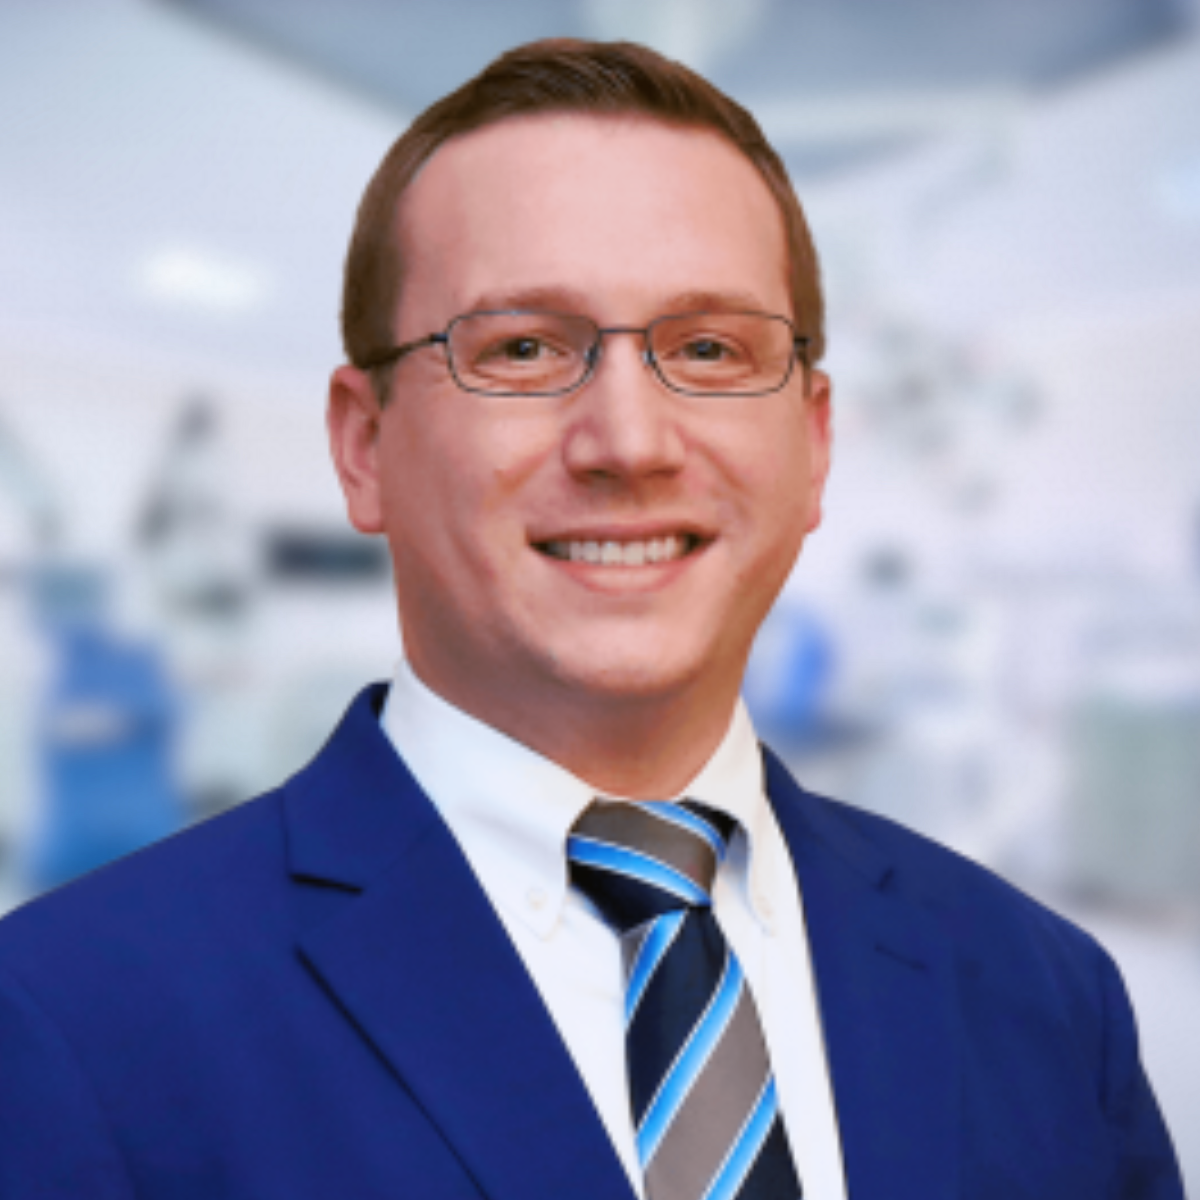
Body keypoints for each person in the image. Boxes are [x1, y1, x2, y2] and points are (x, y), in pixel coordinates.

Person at [0, 38, 1183, 1200]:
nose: (629, 442)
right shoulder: (66, 1025)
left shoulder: (1044, 996)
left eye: (710, 349)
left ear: (814, 445)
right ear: (364, 447)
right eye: (524, 348)